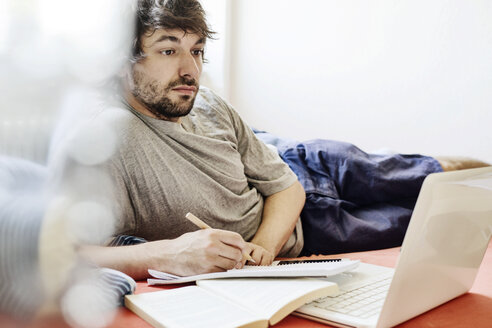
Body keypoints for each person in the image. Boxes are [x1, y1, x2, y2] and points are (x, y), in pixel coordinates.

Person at [68, 0, 488, 280]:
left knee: (432, 173)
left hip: (302, 165)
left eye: (196, 51)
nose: (190, 70)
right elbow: (71, 254)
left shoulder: (209, 103)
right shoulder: (100, 138)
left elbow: (285, 185)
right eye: (168, 50)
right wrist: (166, 255)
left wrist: (262, 247)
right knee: (442, 219)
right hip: (308, 230)